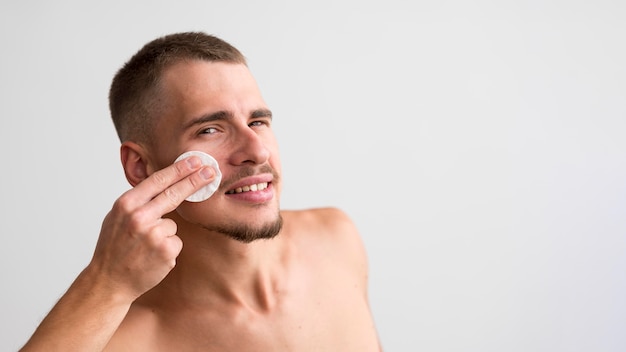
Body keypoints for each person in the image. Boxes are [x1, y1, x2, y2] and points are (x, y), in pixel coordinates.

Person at [20, 31, 382, 351]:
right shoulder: (127, 337)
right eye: (210, 129)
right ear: (140, 167)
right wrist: (106, 283)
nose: (257, 151)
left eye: (258, 121)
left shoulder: (338, 239)